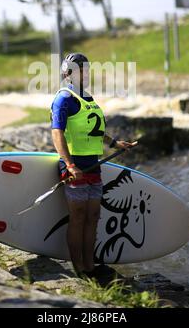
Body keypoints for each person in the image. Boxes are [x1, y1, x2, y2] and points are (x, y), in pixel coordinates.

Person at [50, 52, 135, 278]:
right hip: (74, 168)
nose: (86, 73)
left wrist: (115, 143)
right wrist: (69, 164)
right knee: (78, 217)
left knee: (93, 216)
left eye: (87, 70)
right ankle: (79, 269)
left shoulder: (88, 98)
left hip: (93, 167)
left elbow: (95, 130)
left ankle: (91, 265)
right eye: (81, 70)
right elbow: (56, 133)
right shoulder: (63, 98)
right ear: (68, 73)